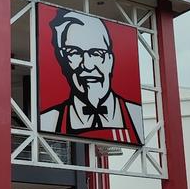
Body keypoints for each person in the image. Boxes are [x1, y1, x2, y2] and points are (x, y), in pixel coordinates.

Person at [39, 8, 144, 144]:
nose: (88, 65)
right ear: (63, 60)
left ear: (110, 60)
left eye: (96, 53)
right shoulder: (50, 121)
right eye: (75, 52)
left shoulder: (135, 116)